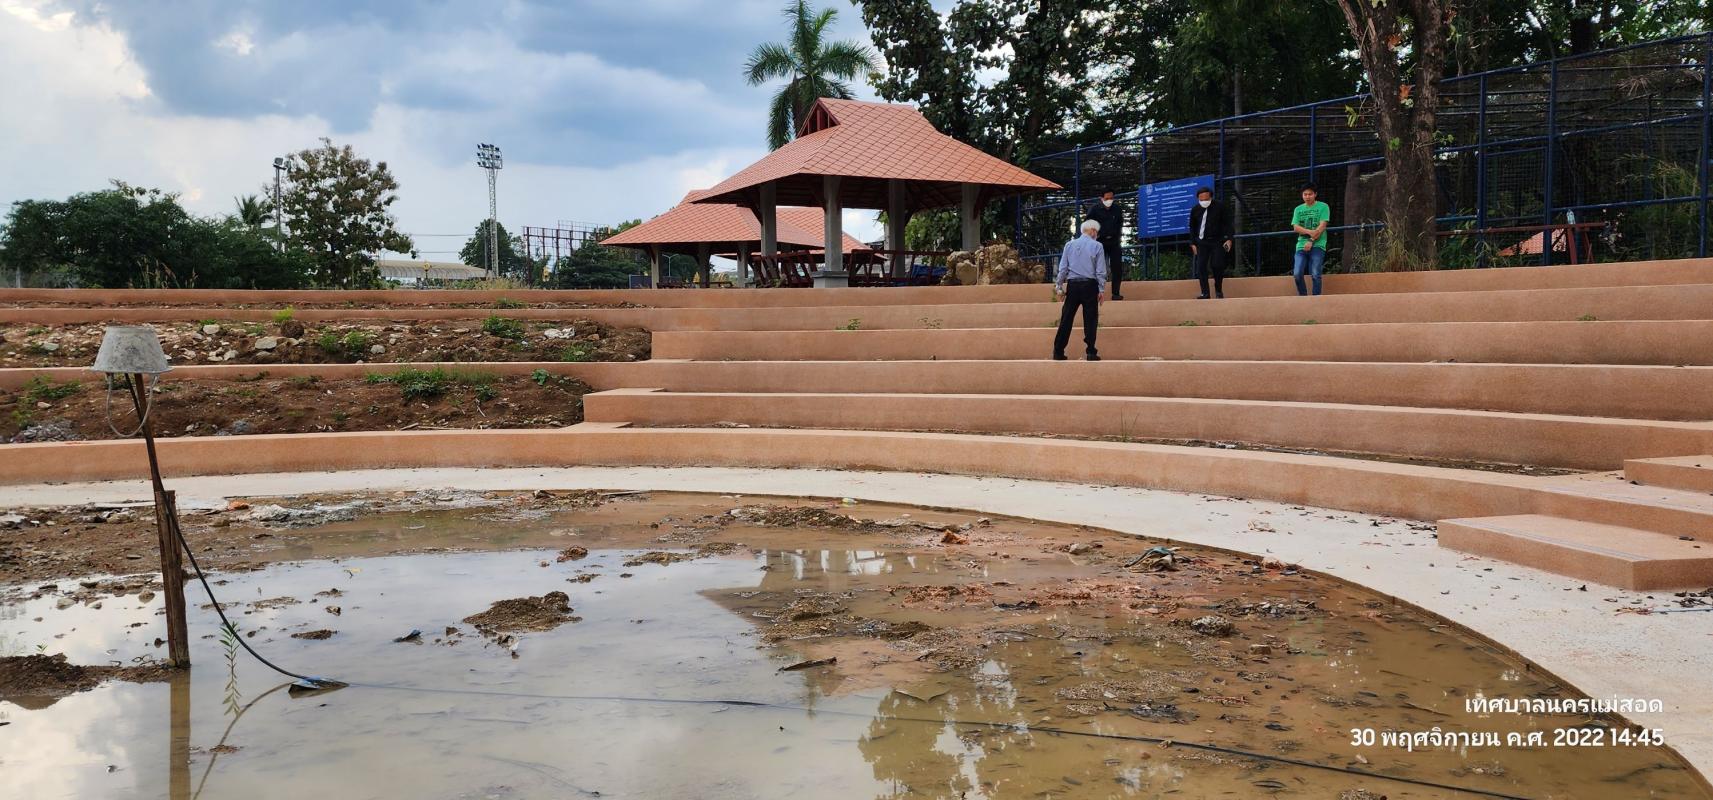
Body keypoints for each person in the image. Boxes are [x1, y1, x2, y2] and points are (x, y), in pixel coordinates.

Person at [1053, 219, 1107, 361]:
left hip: (1073, 285)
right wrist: (1101, 289)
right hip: (1090, 285)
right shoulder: (1097, 246)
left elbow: (1063, 268)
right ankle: (1091, 352)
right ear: (1093, 231)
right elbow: (1100, 271)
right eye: (1096, 232)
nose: (1096, 235)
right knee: (1090, 319)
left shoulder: (1069, 245)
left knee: (1066, 318)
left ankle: (1058, 351)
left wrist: (1059, 286)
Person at [1187, 186, 1232, 299]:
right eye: (1201, 199)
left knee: (1217, 265)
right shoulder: (1195, 209)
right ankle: (1205, 293)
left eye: (1206, 199)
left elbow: (1227, 223)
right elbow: (1192, 227)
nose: (1204, 201)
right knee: (1201, 267)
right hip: (1201, 242)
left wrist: (1229, 239)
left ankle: (1218, 290)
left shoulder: (1220, 207)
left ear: (1211, 197)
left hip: (1217, 241)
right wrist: (1192, 243)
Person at [1083, 189, 1125, 300]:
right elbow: (1087, 224)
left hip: (1114, 242)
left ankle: (1116, 293)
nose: (1109, 200)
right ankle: (1094, 292)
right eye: (1107, 198)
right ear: (1101, 199)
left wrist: (1118, 235)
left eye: (1111, 198)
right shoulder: (1094, 209)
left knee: (1117, 267)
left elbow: (1120, 223)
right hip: (1099, 242)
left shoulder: (1117, 209)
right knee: (1097, 267)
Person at [1291, 183, 1331, 296]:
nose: (1307, 197)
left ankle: (1316, 299)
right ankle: (1303, 297)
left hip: (1318, 245)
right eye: (1305, 194)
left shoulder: (1323, 206)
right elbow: (1296, 227)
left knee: (1315, 274)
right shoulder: (1298, 209)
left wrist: (1311, 240)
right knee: (1297, 274)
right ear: (1302, 195)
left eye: (1310, 194)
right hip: (1301, 246)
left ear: (1315, 194)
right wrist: (1309, 232)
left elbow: (1322, 226)